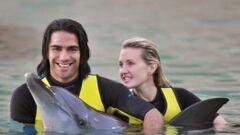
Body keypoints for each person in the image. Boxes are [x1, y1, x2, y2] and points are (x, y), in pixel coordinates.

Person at [10, 19, 163, 134]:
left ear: (82, 53)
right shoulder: (25, 96)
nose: (64, 57)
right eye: (56, 49)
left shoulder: (106, 89)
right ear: (46, 52)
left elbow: (152, 114)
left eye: (72, 49)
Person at [118, 37, 227, 125]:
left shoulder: (181, 97)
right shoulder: (119, 107)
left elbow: (221, 126)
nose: (123, 70)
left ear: (152, 67)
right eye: (121, 64)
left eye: (130, 63)